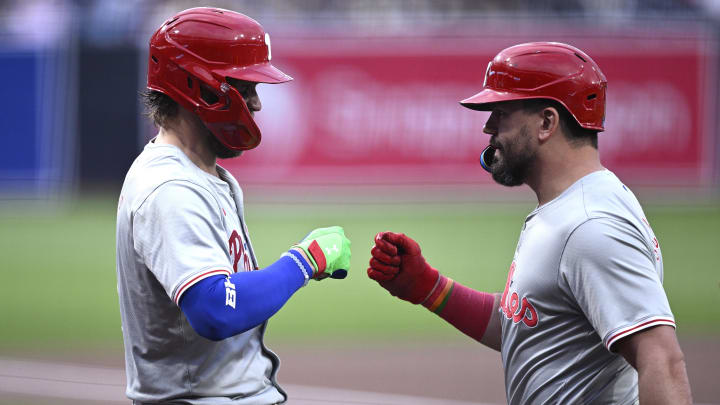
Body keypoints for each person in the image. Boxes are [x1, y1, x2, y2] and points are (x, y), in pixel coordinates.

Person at [367, 42, 692, 404]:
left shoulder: (591, 225)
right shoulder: (564, 210)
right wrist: (429, 287)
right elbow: (527, 325)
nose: (488, 127)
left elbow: (662, 360)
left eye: (501, 112)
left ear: (546, 122)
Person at [115, 8, 351, 405]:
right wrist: (305, 260)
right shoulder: (171, 188)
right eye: (245, 88)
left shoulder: (202, 174)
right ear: (199, 89)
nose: (256, 104)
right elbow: (215, 310)